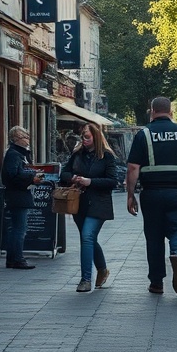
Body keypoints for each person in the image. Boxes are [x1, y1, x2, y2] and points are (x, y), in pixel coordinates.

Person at [126, 96, 177, 294]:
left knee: (154, 237)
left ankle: (156, 283)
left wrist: (130, 195)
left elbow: (133, 168)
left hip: (151, 194)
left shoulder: (143, 134)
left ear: (151, 111)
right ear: (171, 112)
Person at [59, 123, 118, 292]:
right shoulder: (77, 154)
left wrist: (90, 181)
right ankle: (102, 269)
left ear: (96, 137)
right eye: (82, 136)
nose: (84, 140)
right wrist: (74, 177)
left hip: (99, 203)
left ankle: (85, 279)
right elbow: (64, 173)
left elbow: (112, 181)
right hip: (79, 203)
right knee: (89, 238)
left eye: (87, 137)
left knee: (86, 236)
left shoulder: (106, 156)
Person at [1, 125, 43, 270]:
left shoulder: (21, 154)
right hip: (17, 195)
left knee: (17, 228)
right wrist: (32, 177)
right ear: (15, 139)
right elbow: (13, 174)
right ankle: (18, 259)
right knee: (19, 228)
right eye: (23, 137)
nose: (27, 140)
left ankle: (12, 259)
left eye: (27, 136)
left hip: (20, 194)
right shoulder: (13, 154)